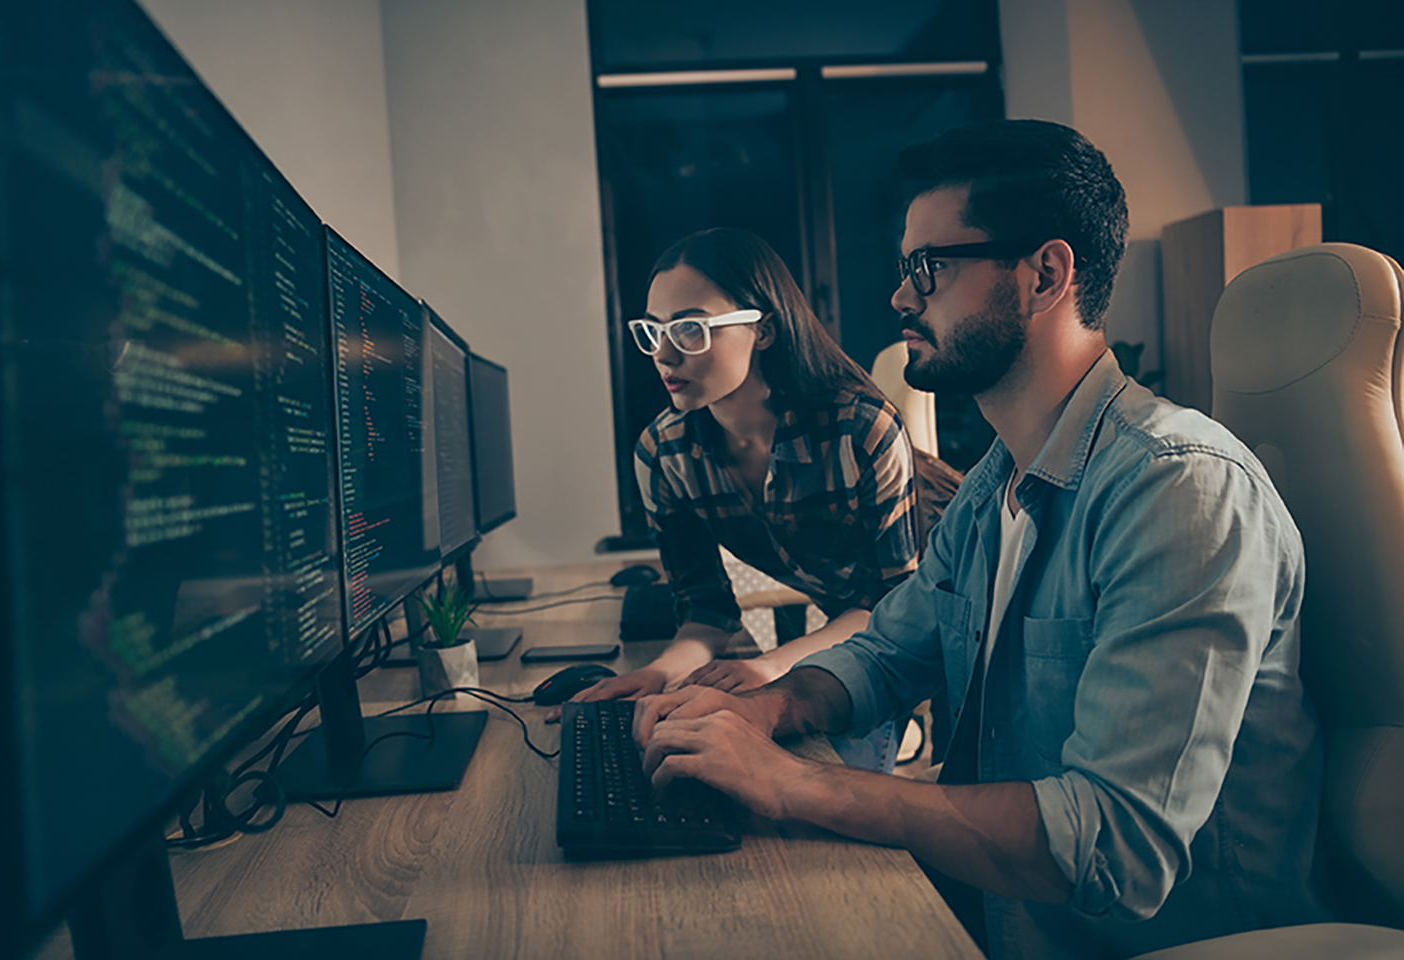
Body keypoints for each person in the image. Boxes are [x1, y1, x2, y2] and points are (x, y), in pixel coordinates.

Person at [630, 119, 1331, 959]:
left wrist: (794, 783)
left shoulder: (1179, 489)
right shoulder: (997, 484)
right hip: (1003, 920)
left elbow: (1111, 844)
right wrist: (764, 707)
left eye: (929, 269)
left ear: (1045, 275)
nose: (899, 300)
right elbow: (890, 650)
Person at [555, 226, 939, 772]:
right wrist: (662, 671)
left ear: (763, 331)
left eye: (690, 329)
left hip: (938, 632)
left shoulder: (859, 431)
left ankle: (915, 731)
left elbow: (895, 609)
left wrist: (770, 669)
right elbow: (706, 609)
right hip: (846, 632)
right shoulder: (664, 454)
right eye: (653, 331)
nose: (664, 353)